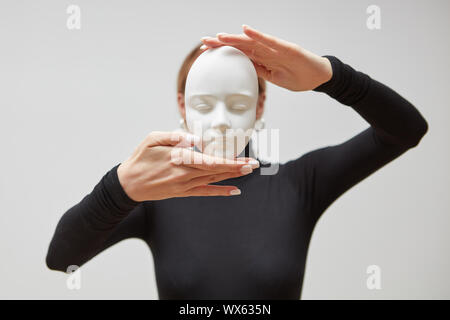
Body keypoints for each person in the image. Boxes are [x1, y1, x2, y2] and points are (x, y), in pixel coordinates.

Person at [46, 25, 428, 299]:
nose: (223, 119)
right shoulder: (154, 195)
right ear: (183, 106)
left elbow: (405, 130)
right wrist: (119, 189)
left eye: (239, 103)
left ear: (260, 106)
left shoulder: (297, 184)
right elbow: (62, 259)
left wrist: (331, 76)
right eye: (203, 104)